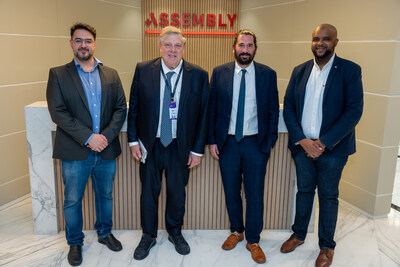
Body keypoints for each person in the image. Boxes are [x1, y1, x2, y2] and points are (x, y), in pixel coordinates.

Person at [281, 24, 363, 267]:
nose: (320, 43)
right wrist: (303, 140)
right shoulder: (300, 70)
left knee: (328, 196)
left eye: (326, 39)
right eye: (316, 38)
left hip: (334, 150)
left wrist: (323, 142)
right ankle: (298, 235)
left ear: (336, 42)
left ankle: (326, 247)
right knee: (304, 191)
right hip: (302, 147)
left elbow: (354, 111)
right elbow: (289, 106)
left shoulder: (349, 70)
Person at [46, 23, 127, 266]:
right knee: (72, 199)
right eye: (78, 40)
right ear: (71, 43)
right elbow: (58, 112)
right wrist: (88, 137)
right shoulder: (58, 74)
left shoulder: (111, 74)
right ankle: (75, 242)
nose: (84, 44)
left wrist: (104, 138)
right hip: (74, 151)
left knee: (105, 195)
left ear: (95, 43)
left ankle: (104, 233)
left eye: (88, 40)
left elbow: (120, 109)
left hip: (106, 149)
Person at [127, 26, 209, 260]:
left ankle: (175, 231)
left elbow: (204, 115)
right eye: (168, 45)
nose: (173, 50)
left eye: (178, 45)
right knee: (149, 193)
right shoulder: (143, 70)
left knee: (176, 193)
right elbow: (135, 108)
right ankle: (148, 235)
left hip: (179, 146)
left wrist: (197, 150)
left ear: (184, 47)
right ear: (160, 46)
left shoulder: (199, 75)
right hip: (149, 145)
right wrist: (133, 140)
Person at [207, 29, 279, 264]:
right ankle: (237, 231)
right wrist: (212, 140)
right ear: (234, 47)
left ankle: (253, 240)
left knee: (255, 194)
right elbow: (212, 109)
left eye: (249, 46)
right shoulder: (219, 73)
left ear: (255, 49)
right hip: (227, 143)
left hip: (255, 144)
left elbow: (271, 112)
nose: (245, 50)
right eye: (241, 45)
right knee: (231, 191)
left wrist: (268, 143)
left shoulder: (268, 74)